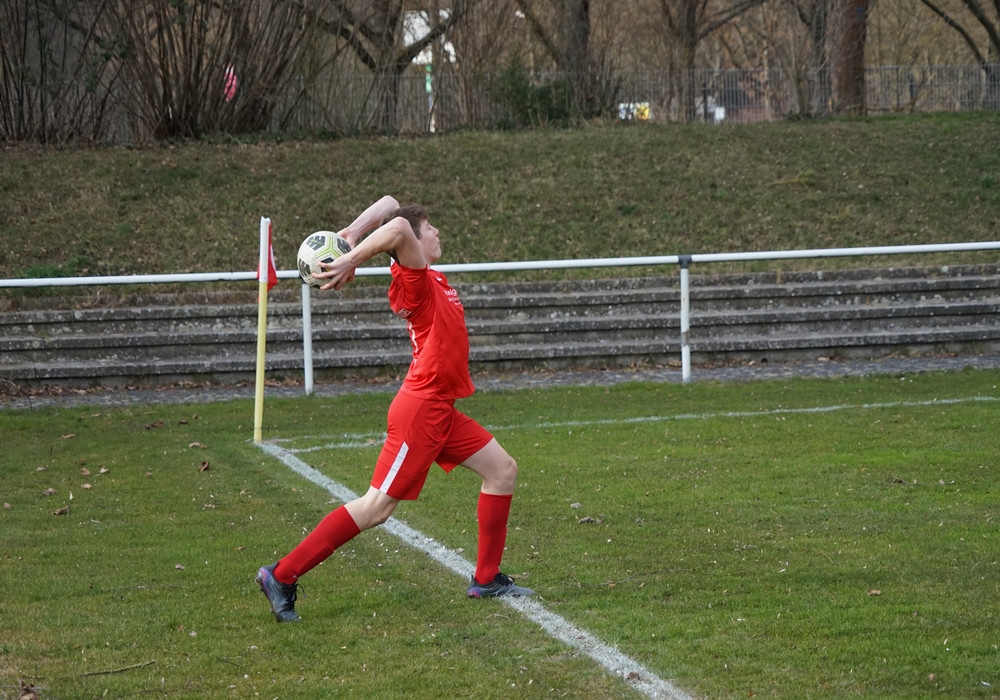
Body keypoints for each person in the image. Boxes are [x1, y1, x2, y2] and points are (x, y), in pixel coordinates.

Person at [256, 196, 534, 622]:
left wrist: (350, 236)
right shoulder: (413, 279)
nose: (436, 232)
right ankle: (281, 575)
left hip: (441, 408)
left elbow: (391, 206)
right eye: (430, 227)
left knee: (502, 471)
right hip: (421, 411)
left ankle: (487, 578)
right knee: (376, 508)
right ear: (413, 244)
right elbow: (400, 227)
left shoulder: (428, 274)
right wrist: (351, 260)